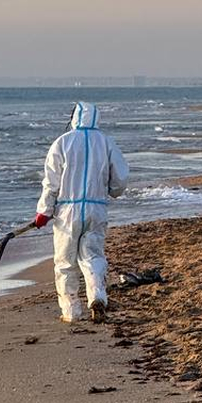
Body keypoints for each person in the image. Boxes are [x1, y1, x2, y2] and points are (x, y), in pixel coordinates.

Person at [33, 102, 130, 324]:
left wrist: (44, 211)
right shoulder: (106, 143)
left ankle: (71, 311)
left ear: (75, 117)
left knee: (65, 262)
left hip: (67, 210)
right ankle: (97, 296)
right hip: (97, 208)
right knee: (92, 255)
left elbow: (51, 183)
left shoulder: (62, 142)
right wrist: (113, 191)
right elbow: (120, 179)